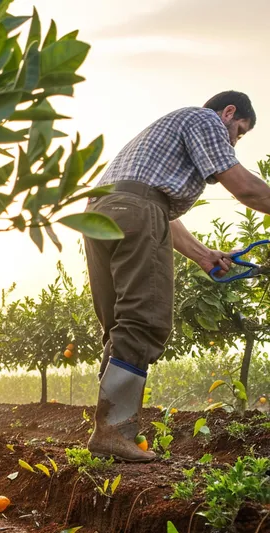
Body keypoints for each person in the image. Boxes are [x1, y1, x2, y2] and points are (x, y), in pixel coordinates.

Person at [84, 91, 263, 461]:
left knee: (120, 323)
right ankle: (115, 430)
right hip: (137, 211)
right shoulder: (206, 121)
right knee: (143, 320)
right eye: (240, 132)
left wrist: (202, 255)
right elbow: (244, 187)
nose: (234, 142)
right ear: (228, 113)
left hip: (101, 213)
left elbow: (153, 203)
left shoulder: (160, 139)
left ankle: (110, 432)